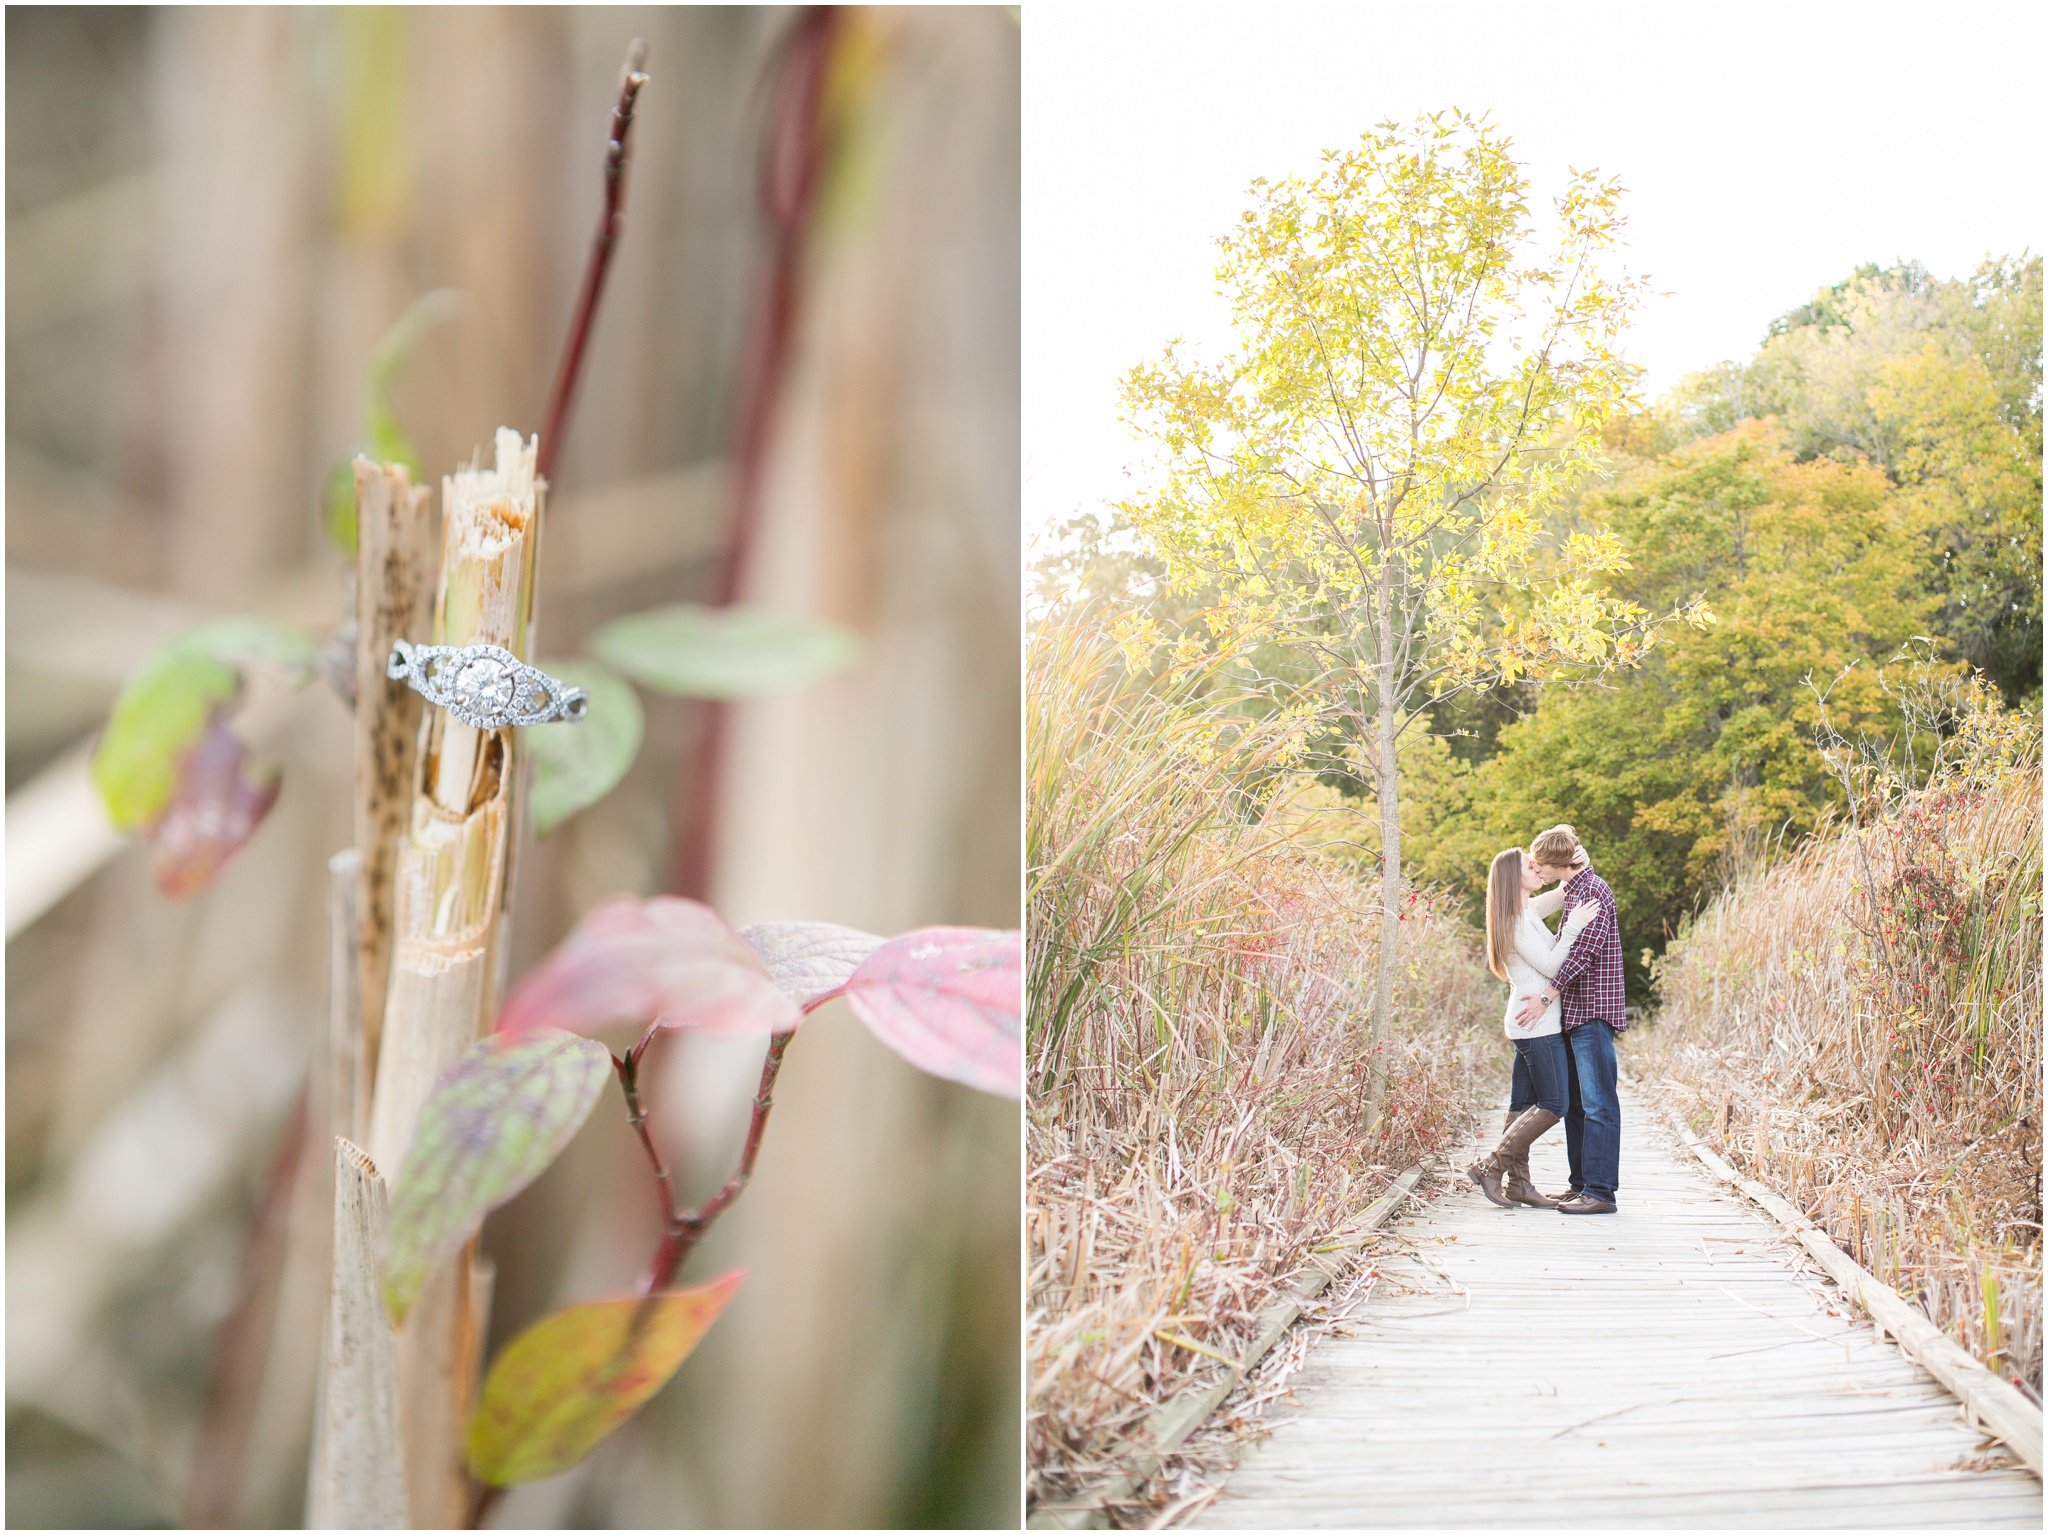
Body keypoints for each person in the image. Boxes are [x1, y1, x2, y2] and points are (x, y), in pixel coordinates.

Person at [1468, 845, 1597, 1208]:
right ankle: (1492, 1165)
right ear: (1513, 876)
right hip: (1534, 1023)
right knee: (1554, 1104)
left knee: (1522, 1103)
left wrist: (1576, 860)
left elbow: (1562, 892)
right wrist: (1572, 928)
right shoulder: (1514, 919)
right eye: (1530, 865)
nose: (1537, 868)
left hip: (1531, 1021)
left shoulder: (1524, 910)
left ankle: (1519, 1186)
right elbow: (1554, 966)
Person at [1513, 824, 1626, 1215]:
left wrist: (1545, 997)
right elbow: (1530, 910)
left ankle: (1601, 1192)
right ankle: (1581, 1185)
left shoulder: (1593, 891)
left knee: (1599, 1104)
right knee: (1578, 1105)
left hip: (1592, 1009)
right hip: (1574, 1012)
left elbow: (1582, 957)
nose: (1536, 870)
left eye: (1540, 865)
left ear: (1557, 864)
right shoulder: (1575, 889)